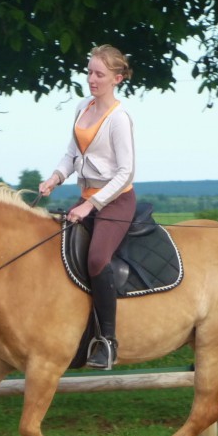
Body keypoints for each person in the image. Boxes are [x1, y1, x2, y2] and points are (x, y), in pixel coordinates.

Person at [39, 44, 136, 370]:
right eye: (89, 72)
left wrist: (91, 204)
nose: (92, 79)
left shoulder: (119, 119)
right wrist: (55, 177)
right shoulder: (83, 106)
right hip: (87, 198)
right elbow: (71, 153)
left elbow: (126, 172)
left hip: (116, 200)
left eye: (99, 74)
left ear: (117, 78)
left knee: (96, 259)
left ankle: (107, 341)